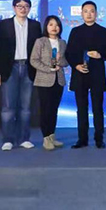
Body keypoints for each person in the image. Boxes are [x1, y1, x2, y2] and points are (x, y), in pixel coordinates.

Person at [0, 0, 42, 151]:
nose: (23, 9)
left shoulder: (35, 25)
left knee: (25, 108)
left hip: (29, 67)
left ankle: (24, 139)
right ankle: (8, 139)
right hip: (9, 68)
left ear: (30, 8)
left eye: (26, 6)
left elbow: (39, 49)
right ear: (14, 8)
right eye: (20, 6)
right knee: (8, 107)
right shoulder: (4, 25)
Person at [65, 1, 106, 149]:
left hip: (97, 74)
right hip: (80, 74)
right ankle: (82, 139)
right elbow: (69, 53)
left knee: (98, 108)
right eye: (86, 11)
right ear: (81, 13)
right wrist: (76, 65)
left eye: (92, 11)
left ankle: (99, 139)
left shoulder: (104, 31)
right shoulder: (75, 31)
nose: (89, 14)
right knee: (81, 108)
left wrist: (100, 55)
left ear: (96, 13)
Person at [30, 15, 68, 151]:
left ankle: (52, 136)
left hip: (59, 80)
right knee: (45, 110)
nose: (54, 27)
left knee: (54, 110)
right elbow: (33, 60)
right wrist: (48, 69)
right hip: (44, 80)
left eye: (57, 25)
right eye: (51, 24)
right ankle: (46, 138)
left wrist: (60, 59)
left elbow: (66, 62)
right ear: (46, 27)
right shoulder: (40, 41)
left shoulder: (62, 42)